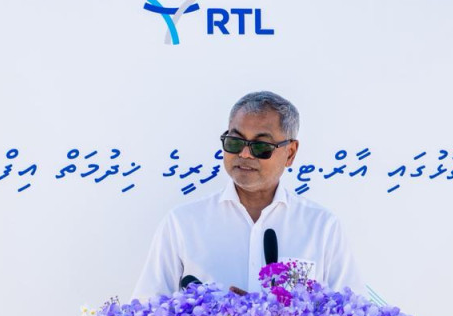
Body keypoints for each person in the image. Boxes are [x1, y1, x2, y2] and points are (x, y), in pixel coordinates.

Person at [131, 91, 366, 301]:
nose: (244, 154)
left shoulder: (322, 228)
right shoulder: (182, 224)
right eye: (235, 142)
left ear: (290, 153)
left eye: (261, 146)